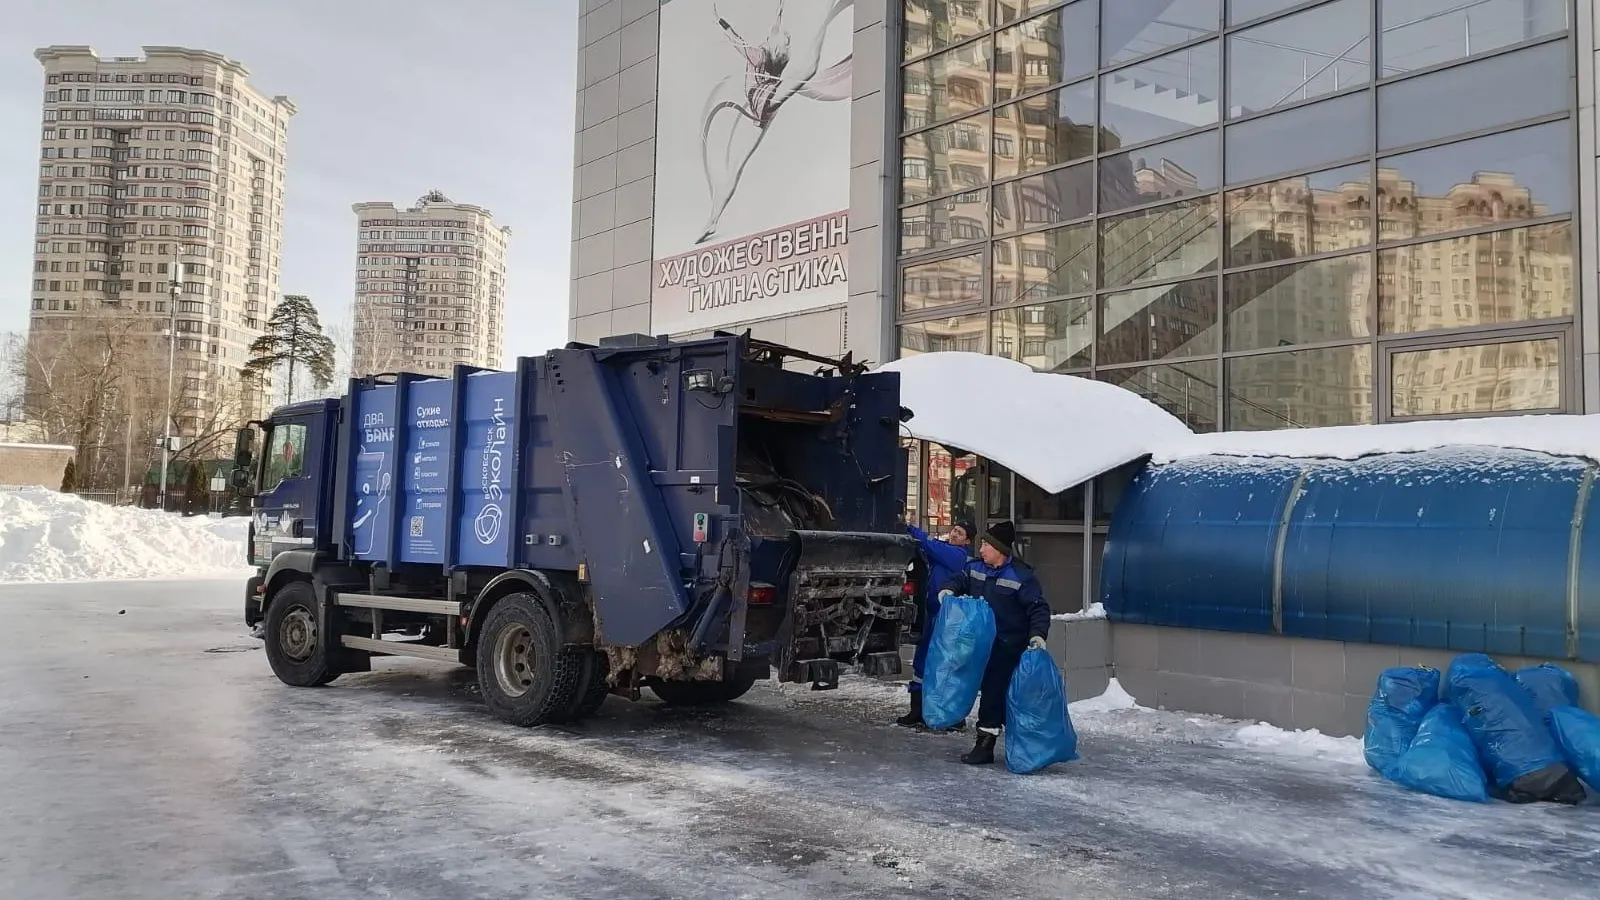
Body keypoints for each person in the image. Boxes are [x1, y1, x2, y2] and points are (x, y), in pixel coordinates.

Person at [938, 521, 1050, 766]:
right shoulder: (976, 568)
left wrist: (1038, 635)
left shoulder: (1021, 576)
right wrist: (947, 590)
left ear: (1000, 549)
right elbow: (959, 579)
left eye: (986, 545)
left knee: (995, 694)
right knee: (978, 688)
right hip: (979, 646)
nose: (981, 550)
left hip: (1008, 647)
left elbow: (1038, 609)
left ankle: (986, 745)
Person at [898, 519, 974, 729]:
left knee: (944, 665)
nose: (953, 534)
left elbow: (929, 544)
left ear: (967, 540)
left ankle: (952, 716)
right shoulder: (947, 552)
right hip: (933, 615)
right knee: (923, 663)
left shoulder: (957, 556)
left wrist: (910, 527)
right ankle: (918, 710)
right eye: (953, 530)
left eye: (959, 532)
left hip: (947, 619)